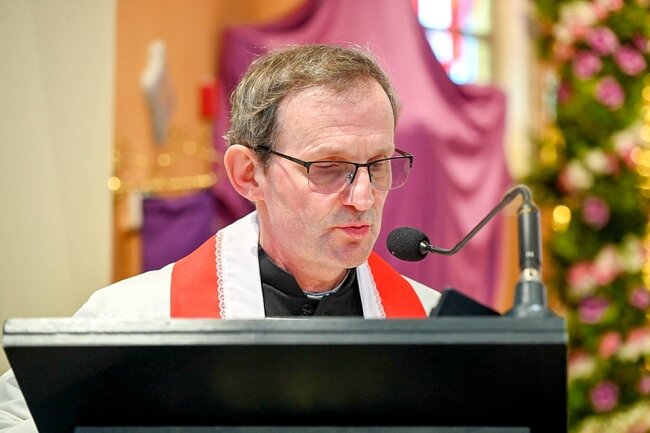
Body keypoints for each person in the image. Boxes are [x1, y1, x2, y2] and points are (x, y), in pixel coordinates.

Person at [0, 43, 439, 432]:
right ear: (248, 174)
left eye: (378, 165)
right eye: (327, 168)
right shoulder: (137, 320)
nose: (363, 197)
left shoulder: (433, 324)